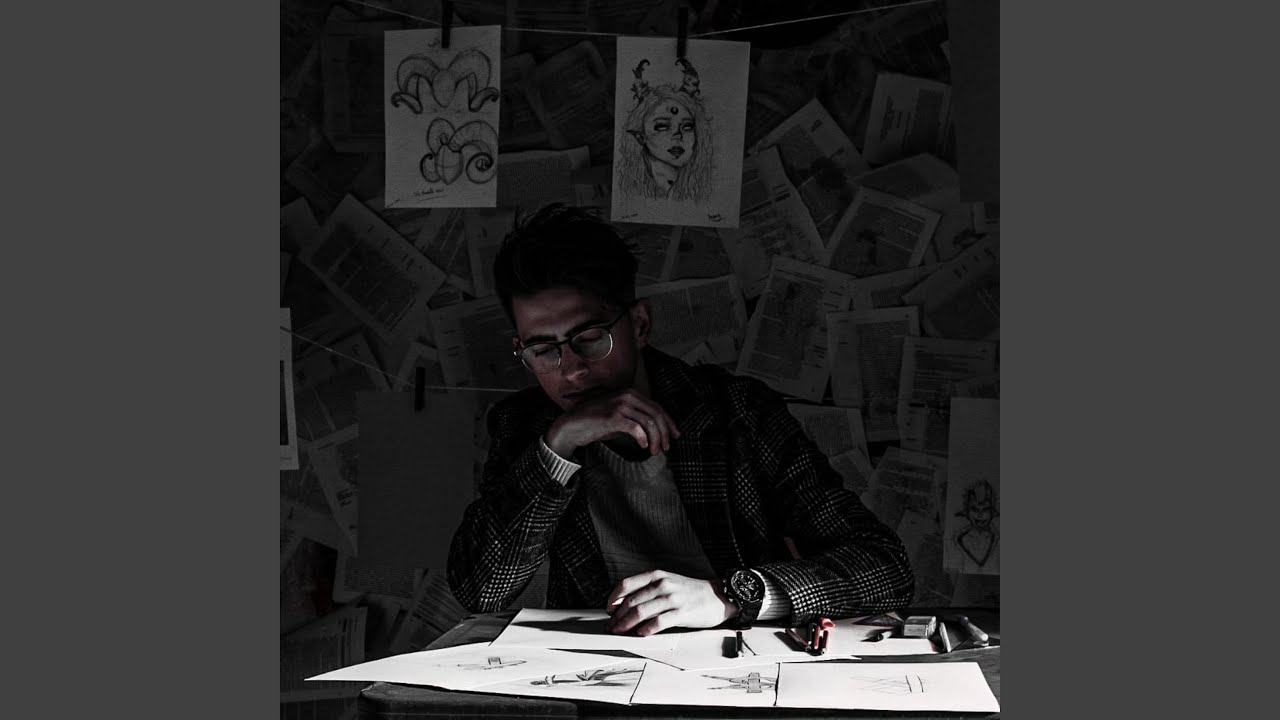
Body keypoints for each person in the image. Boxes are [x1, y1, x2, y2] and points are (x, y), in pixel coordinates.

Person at [447, 204, 913, 636]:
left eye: (588, 338)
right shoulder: (526, 427)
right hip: (598, 670)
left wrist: (729, 595)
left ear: (640, 325)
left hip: (740, 661)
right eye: (542, 349)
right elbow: (480, 591)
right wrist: (559, 445)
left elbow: (885, 568)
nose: (570, 370)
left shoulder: (739, 413)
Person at [615, 58, 713, 203]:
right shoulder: (634, 190)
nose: (678, 135)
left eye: (687, 127)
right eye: (662, 127)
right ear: (641, 137)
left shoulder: (694, 187)